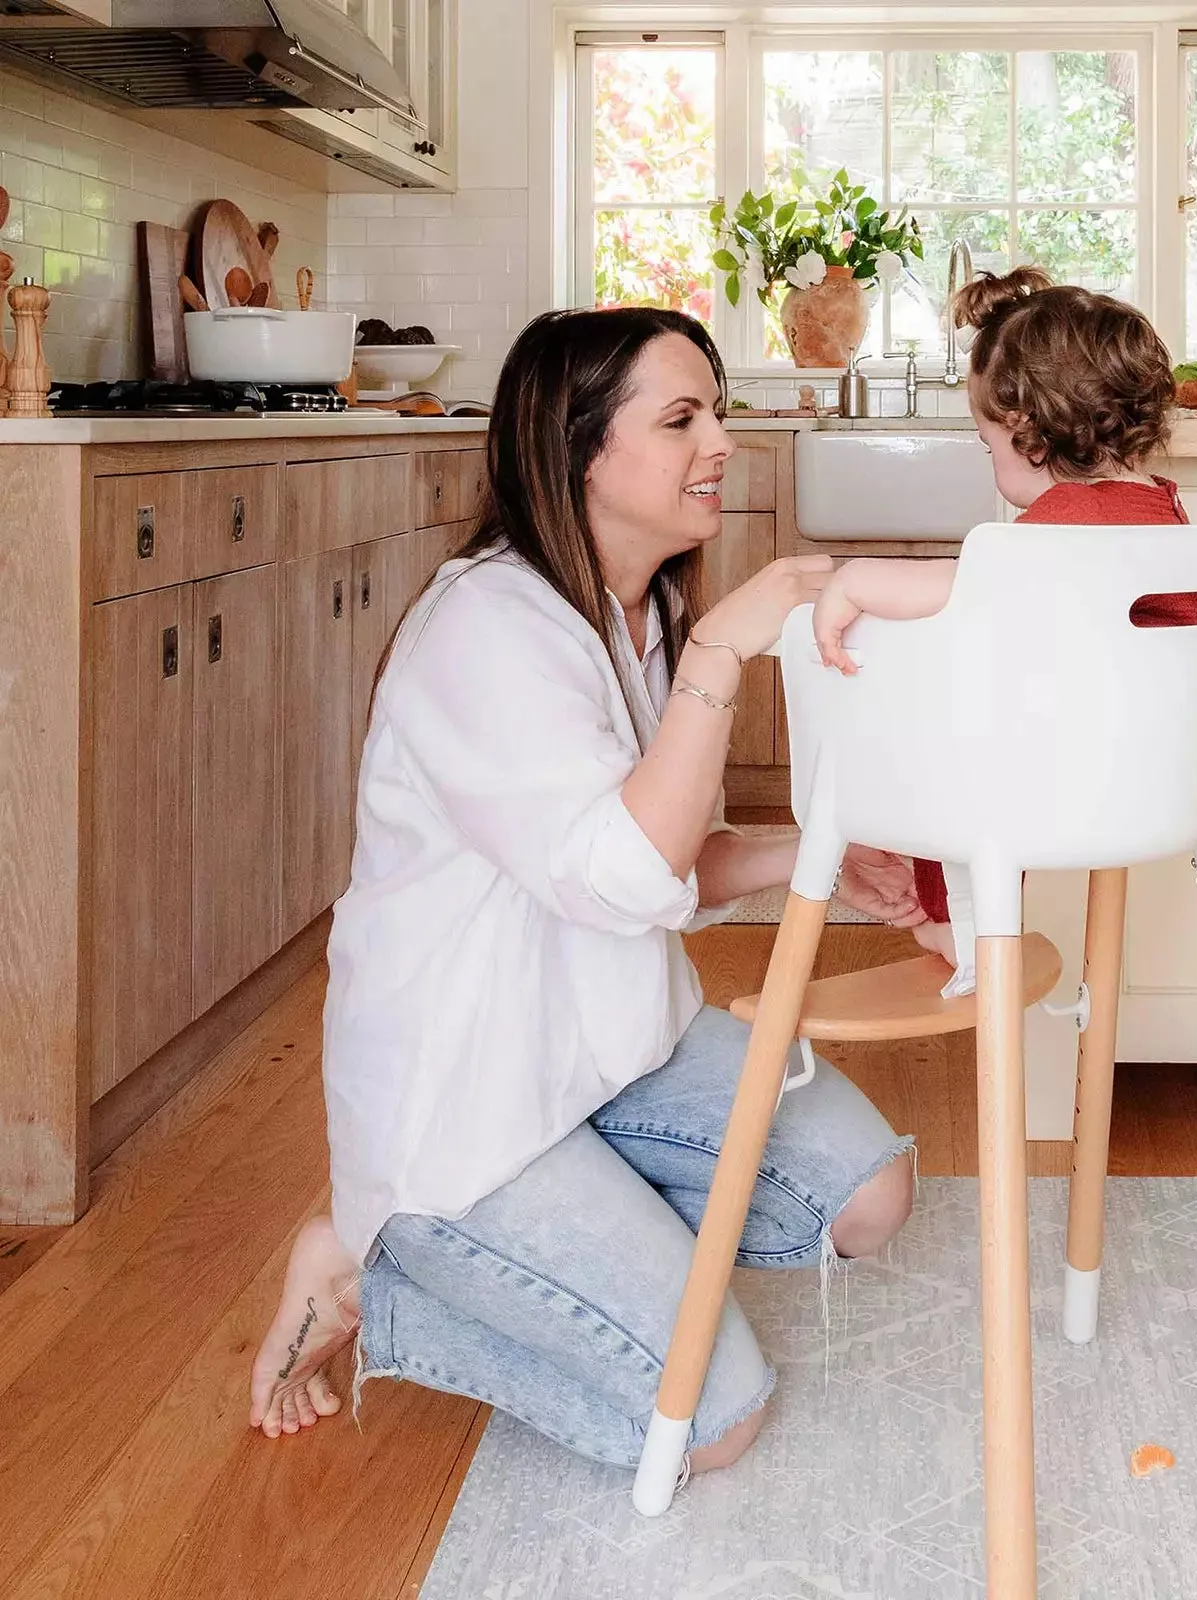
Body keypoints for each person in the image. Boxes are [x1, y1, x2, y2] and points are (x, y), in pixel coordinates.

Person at [248, 307, 921, 1482]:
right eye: (680, 418)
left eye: (715, 409)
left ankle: (594, 1238)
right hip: (472, 1113)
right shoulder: (488, 628)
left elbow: (669, 857)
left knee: (867, 1196)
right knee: (711, 1422)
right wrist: (720, 654)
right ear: (578, 452)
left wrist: (815, 851)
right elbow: (623, 885)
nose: (720, 439)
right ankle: (378, 1256)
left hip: (610, 1058)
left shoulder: (641, 610)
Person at [810, 267, 1197, 968]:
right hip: (1170, 779)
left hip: (1064, 784)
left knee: (947, 731)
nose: (990, 458)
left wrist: (855, 579)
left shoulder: (1058, 525)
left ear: (1027, 436)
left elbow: (972, 584)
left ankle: (953, 917)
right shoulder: (1163, 507)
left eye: (987, 443)